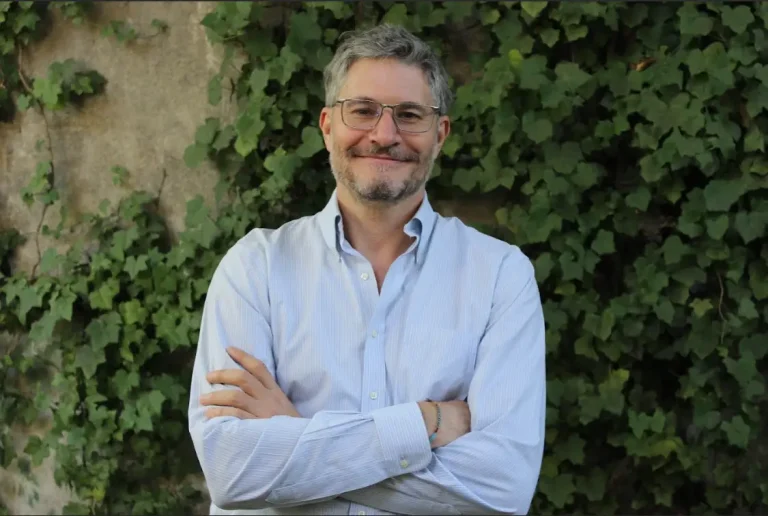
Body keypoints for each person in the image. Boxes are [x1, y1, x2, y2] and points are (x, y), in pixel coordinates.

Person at [188, 23, 546, 516]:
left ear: (439, 135)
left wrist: (295, 439)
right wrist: (424, 423)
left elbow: (503, 488)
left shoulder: (501, 276)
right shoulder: (255, 268)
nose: (384, 134)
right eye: (362, 110)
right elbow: (231, 471)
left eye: (410, 115)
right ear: (327, 126)